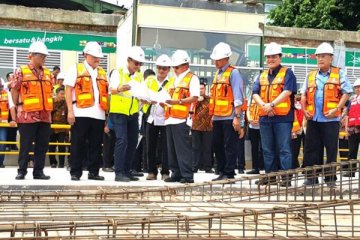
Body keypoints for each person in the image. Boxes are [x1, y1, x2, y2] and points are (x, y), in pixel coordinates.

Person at [301, 42, 352, 187]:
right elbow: (303, 94)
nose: (320, 59)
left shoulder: (338, 73)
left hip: (331, 119)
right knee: (311, 148)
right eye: (318, 56)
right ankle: (311, 177)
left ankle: (330, 178)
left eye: (323, 56)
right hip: (313, 118)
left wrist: (337, 109)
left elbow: (347, 92)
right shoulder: (310, 75)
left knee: (330, 149)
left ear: (331, 58)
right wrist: (304, 110)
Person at [252, 42, 297, 185]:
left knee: (284, 149)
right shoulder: (262, 76)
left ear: (280, 57)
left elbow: (288, 91)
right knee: (267, 149)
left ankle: (285, 178)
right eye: (268, 57)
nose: (270, 59)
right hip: (265, 117)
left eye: (273, 57)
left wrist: (271, 104)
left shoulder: (288, 73)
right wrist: (264, 106)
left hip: (283, 118)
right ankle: (270, 177)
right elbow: (255, 93)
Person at [64, 41, 108, 181]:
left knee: (96, 145)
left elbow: (105, 94)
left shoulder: (102, 72)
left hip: (99, 114)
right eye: (94, 56)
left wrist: (106, 116)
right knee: (78, 143)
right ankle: (75, 172)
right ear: (86, 55)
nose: (97, 59)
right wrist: (70, 111)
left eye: (98, 57)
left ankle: (93, 171)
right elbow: (68, 90)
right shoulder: (75, 69)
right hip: (81, 112)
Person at [11, 41, 53, 180]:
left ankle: (38, 171)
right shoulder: (21, 71)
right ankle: (22, 170)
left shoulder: (48, 73)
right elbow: (15, 90)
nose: (44, 59)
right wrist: (16, 109)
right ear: (33, 56)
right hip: (27, 114)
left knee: (42, 145)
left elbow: (50, 91)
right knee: (25, 144)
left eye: (45, 56)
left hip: (45, 115)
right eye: (41, 56)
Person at [209, 42, 245, 181]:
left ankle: (229, 172)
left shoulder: (233, 73)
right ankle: (222, 170)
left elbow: (238, 96)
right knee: (217, 145)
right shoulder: (217, 74)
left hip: (230, 116)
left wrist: (237, 117)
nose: (216, 62)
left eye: (218, 59)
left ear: (226, 58)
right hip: (218, 116)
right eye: (215, 59)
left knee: (229, 146)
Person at [109, 46, 145, 182]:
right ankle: (119, 172)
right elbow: (111, 90)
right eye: (136, 63)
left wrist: (146, 99)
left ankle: (127, 170)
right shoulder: (118, 73)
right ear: (128, 60)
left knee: (133, 141)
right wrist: (120, 88)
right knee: (122, 140)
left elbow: (140, 93)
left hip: (133, 112)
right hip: (119, 112)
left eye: (140, 63)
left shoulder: (139, 76)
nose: (138, 66)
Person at [164, 50, 200, 184]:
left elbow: (194, 97)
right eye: (173, 67)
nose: (174, 69)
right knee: (172, 149)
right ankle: (176, 173)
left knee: (183, 148)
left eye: (176, 67)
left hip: (183, 118)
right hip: (170, 118)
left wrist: (177, 102)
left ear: (185, 65)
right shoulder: (174, 80)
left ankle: (187, 175)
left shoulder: (192, 78)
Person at [144, 55, 173, 181]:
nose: (161, 71)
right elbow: (142, 95)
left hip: (166, 118)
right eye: (160, 68)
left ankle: (165, 171)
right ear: (156, 68)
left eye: (164, 69)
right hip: (152, 116)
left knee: (166, 147)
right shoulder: (149, 81)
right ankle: (151, 171)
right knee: (150, 145)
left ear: (169, 69)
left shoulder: (173, 82)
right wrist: (147, 100)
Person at [192, 81, 214, 173]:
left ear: (205, 89)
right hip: (195, 126)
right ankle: (194, 166)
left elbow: (213, 110)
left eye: (202, 88)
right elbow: (190, 109)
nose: (200, 90)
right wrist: (197, 101)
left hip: (207, 127)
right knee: (195, 147)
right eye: (199, 89)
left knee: (207, 148)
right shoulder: (193, 100)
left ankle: (207, 167)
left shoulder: (210, 99)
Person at [48, 86, 68, 168]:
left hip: (62, 127)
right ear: (56, 94)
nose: (63, 96)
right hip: (51, 127)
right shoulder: (51, 102)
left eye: (64, 94)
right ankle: (53, 163)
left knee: (61, 145)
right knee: (51, 145)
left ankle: (61, 163)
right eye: (61, 94)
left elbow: (67, 115)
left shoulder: (66, 104)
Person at [344, 79, 360, 177]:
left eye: (359, 87)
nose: (357, 89)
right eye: (356, 87)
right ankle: (351, 172)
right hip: (352, 129)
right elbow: (346, 115)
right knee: (352, 151)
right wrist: (346, 127)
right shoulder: (351, 100)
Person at [0, 78, 16, 168]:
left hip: (3, 123)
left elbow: (12, 107)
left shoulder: (7, 94)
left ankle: (0, 162)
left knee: (2, 141)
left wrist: (13, 119)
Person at [246, 96, 264, 174]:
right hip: (252, 126)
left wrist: (259, 121)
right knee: (254, 148)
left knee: (263, 148)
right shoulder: (251, 97)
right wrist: (249, 119)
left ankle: (263, 167)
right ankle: (255, 168)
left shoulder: (264, 96)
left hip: (262, 126)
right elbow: (248, 109)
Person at [291, 92, 304, 169]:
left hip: (304, 128)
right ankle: (294, 165)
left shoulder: (304, 104)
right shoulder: (292, 104)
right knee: (295, 149)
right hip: (296, 129)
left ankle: (303, 165)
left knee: (305, 149)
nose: (298, 96)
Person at [5, 72, 18, 151]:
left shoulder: (16, 86)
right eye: (11, 76)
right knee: (8, 128)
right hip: (7, 111)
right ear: (8, 78)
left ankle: (13, 144)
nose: (13, 77)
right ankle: (7, 145)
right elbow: (8, 84)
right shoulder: (5, 86)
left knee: (14, 128)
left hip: (15, 109)